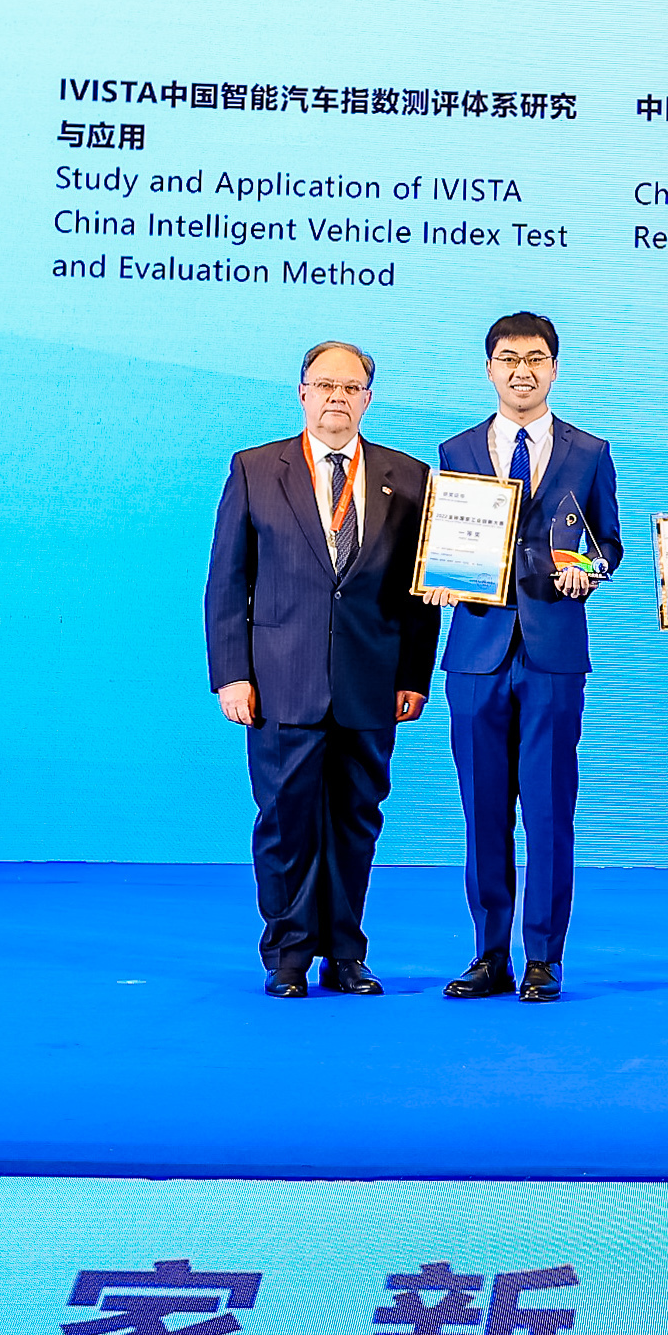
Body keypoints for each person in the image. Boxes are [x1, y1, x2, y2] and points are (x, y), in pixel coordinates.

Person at [203, 340, 440, 999]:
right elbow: (228, 580)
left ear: (368, 399)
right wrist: (232, 674)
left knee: (356, 822)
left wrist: (414, 675)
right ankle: (287, 954)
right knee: (285, 821)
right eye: (325, 385)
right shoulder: (255, 468)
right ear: (303, 393)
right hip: (279, 682)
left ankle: (344, 953)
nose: (338, 397)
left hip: (372, 681)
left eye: (351, 387)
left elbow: (420, 592)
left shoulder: (409, 476)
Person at [427, 311, 623, 1004]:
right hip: (475, 649)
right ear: (489, 369)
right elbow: (444, 535)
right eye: (509, 358)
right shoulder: (456, 448)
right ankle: (488, 955)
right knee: (483, 813)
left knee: (547, 810)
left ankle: (543, 956)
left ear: (554, 369)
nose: (522, 371)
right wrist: (439, 572)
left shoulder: (589, 451)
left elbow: (608, 544)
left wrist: (588, 572)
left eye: (535, 358)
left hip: (552, 651)